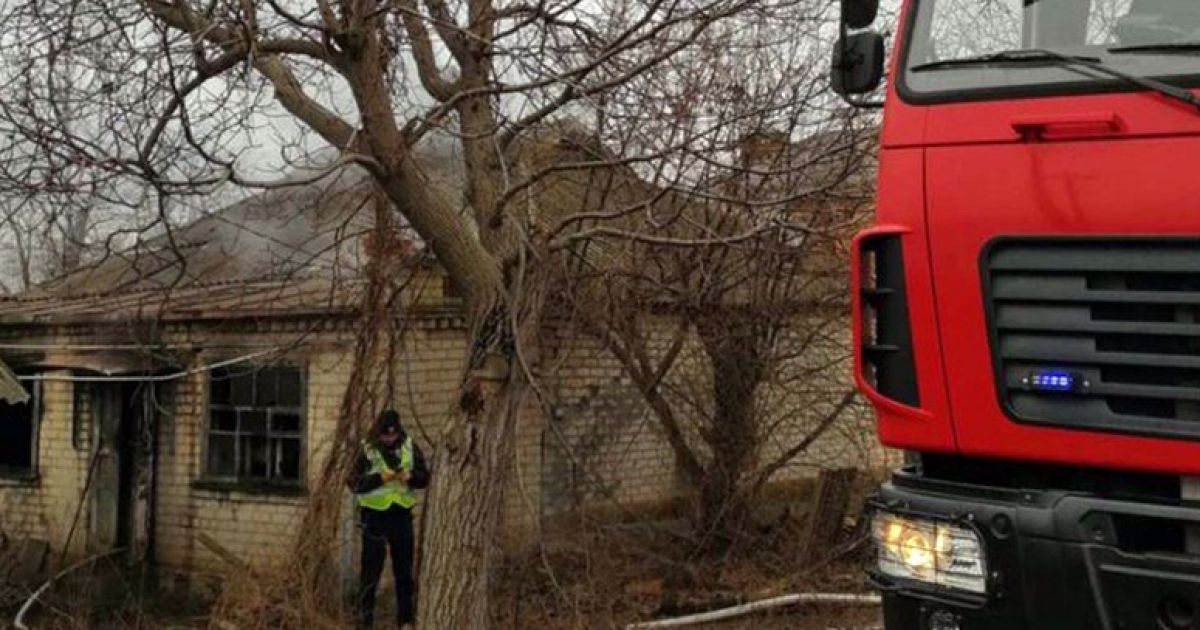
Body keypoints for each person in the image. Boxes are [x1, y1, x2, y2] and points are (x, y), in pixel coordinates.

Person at [352, 409, 430, 629]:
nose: (389, 439)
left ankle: (405, 620)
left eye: (393, 435)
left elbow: (424, 478)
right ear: (378, 432)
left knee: (404, 573)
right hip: (374, 517)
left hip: (401, 516)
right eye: (385, 435)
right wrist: (379, 478)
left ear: (398, 431)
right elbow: (354, 483)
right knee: (370, 573)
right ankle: (365, 621)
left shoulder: (409, 446)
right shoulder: (367, 449)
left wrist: (410, 477)